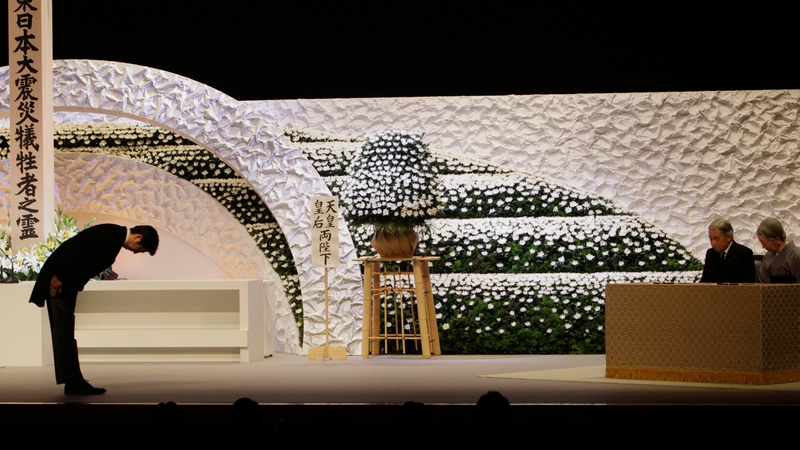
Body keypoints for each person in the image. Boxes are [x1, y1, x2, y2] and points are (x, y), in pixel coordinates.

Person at [29, 223, 159, 395]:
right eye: (140, 249)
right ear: (138, 237)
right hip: (60, 284)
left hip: (64, 283)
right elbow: (75, 250)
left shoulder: (114, 235)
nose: (136, 252)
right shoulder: (112, 235)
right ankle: (73, 382)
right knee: (63, 333)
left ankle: (72, 380)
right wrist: (58, 276)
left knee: (64, 333)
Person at [699, 219, 755, 283]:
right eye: (711, 238)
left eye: (716, 239)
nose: (713, 243)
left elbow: (748, 284)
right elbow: (704, 281)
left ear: (729, 237)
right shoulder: (710, 253)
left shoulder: (744, 254)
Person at [756, 218, 800, 283]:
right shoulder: (767, 256)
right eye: (761, 243)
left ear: (777, 240)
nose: (763, 247)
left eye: (765, 243)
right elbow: (763, 285)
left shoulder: (797, 256)